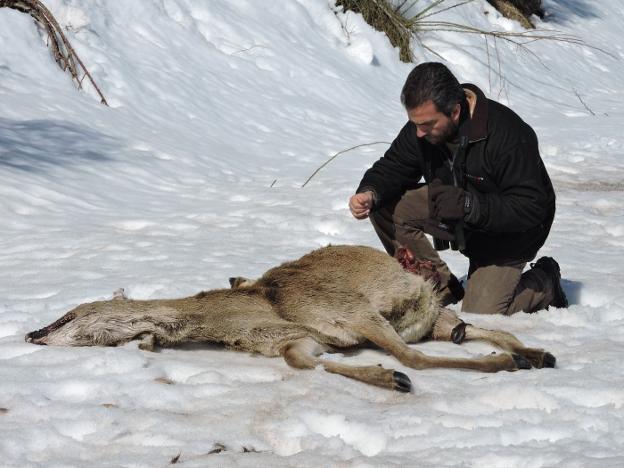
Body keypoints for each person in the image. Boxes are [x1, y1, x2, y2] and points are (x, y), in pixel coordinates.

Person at [349, 62, 567, 315]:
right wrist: (370, 192)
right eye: (414, 123)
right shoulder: (423, 125)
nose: (418, 133)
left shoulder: (507, 134)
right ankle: (438, 288)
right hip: (455, 213)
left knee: (482, 314)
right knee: (384, 203)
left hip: (510, 236)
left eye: (427, 125)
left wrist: (470, 207)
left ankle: (546, 282)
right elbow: (394, 165)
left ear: (454, 111)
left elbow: (532, 206)